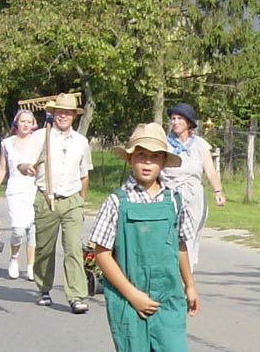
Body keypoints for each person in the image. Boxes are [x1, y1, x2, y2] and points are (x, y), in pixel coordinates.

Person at [89, 122, 199, 351]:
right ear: (130, 159)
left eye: (155, 156)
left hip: (168, 296)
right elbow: (102, 253)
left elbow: (181, 246)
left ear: (163, 162)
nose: (148, 162)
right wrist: (132, 294)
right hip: (127, 298)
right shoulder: (117, 201)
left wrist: (189, 285)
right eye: (141, 155)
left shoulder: (174, 201)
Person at [17, 93, 93, 314]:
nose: (63, 116)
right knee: (44, 248)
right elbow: (23, 164)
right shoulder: (41, 136)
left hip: (71, 199)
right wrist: (27, 169)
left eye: (67, 112)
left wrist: (80, 201)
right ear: (53, 113)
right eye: (59, 112)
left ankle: (76, 295)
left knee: (72, 249)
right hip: (46, 198)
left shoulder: (81, 142)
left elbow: (84, 175)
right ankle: (43, 288)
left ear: (73, 116)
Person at [162, 102, 225, 272]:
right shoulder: (163, 144)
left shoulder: (200, 144)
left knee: (189, 238)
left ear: (188, 123)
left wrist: (218, 191)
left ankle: (186, 275)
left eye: (179, 119)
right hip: (169, 194)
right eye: (173, 119)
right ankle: (170, 273)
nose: (175, 122)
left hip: (193, 196)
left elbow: (210, 172)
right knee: (168, 236)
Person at [0, 109, 38, 280]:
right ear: (17, 123)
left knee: (33, 228)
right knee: (18, 229)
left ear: (33, 125)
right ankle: (14, 258)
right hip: (15, 188)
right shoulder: (7, 143)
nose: (26, 125)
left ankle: (31, 265)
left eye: (29, 122)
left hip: (34, 187)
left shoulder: (38, 142)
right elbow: (2, 169)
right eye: (23, 121)